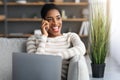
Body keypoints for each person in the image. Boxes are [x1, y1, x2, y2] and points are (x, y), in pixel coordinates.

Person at [26, 3, 89, 80]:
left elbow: (81, 48)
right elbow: (35, 64)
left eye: (58, 18)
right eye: (50, 19)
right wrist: (44, 37)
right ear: (43, 22)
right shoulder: (32, 39)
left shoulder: (70, 36)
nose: (55, 23)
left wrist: (56, 57)